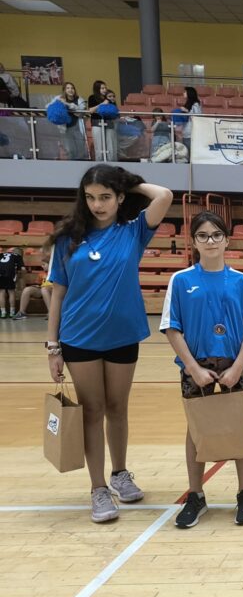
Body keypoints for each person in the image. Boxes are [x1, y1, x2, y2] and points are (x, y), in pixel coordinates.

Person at [45, 165, 173, 523]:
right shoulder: (67, 239)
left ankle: (120, 474)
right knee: (92, 410)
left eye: (105, 196)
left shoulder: (133, 232)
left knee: (118, 408)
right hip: (79, 338)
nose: (97, 204)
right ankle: (98, 488)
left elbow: (164, 196)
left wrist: (130, 183)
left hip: (122, 336)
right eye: (90, 197)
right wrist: (53, 347)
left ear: (119, 198)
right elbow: (58, 295)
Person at [161, 211, 243, 528]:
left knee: (240, 428)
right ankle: (196, 495)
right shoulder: (181, 280)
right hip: (196, 367)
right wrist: (192, 368)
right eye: (203, 235)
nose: (210, 241)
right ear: (194, 241)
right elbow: (171, 327)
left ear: (227, 240)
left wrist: (239, 366)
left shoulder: (241, 281)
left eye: (217, 235)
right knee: (196, 430)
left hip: (234, 365)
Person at [13, 246, 52, 319]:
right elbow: (39, 283)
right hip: (42, 289)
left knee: (44, 289)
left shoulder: (55, 272)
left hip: (52, 290)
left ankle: (51, 313)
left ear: (50, 265)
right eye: (42, 264)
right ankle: (22, 312)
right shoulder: (41, 274)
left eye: (44, 264)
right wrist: (36, 286)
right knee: (27, 290)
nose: (42, 266)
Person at [53, 82, 88, 161]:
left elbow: (81, 112)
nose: (70, 90)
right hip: (65, 128)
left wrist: (68, 105)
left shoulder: (79, 99)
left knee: (81, 149)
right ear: (64, 90)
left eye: (72, 88)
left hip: (77, 127)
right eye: (68, 88)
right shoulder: (59, 99)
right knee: (70, 150)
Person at [87, 80, 118, 162]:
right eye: (102, 88)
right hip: (97, 123)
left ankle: (112, 164)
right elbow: (91, 110)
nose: (104, 90)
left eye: (105, 88)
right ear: (97, 89)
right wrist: (102, 104)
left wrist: (111, 101)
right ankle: (99, 164)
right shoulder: (92, 98)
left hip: (109, 123)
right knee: (99, 147)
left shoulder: (109, 97)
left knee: (110, 146)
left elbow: (115, 111)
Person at [0, 246, 23, 317]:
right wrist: (17, 278)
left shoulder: (2, 254)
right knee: (11, 292)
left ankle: (3, 312)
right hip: (10, 274)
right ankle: (12, 312)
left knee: (1, 292)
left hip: (0, 274)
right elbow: (21, 269)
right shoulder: (18, 256)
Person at [179, 86, 202, 156]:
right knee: (186, 152)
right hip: (186, 131)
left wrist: (186, 111)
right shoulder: (187, 103)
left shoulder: (196, 104)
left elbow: (197, 116)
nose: (183, 93)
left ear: (189, 93)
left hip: (192, 132)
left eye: (185, 92)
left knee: (192, 153)